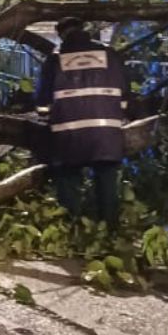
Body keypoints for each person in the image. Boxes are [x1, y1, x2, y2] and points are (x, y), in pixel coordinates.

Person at [37, 17, 130, 226]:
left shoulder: (55, 59)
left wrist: (45, 117)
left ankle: (73, 227)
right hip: (106, 135)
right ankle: (110, 230)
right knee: (107, 182)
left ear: (61, 34)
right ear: (83, 30)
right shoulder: (110, 55)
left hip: (70, 136)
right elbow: (125, 98)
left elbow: (43, 105)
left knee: (67, 178)